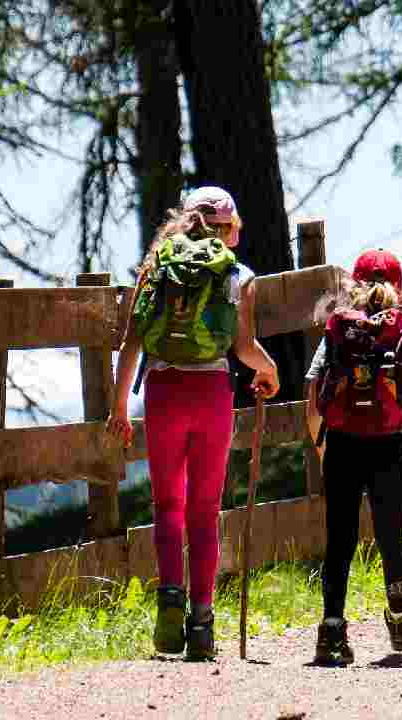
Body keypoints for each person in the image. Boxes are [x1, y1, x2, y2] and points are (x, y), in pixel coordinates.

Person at [106, 186, 279, 660]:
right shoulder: (238, 275)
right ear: (232, 229)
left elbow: (130, 344)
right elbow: (243, 347)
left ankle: (168, 605)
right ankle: (201, 622)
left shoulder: (157, 266)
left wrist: (120, 408)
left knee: (168, 505)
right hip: (211, 396)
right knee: (204, 510)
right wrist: (270, 371)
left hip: (163, 392)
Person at [304, 249, 402, 665]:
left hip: (342, 445)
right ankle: (401, 618)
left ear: (353, 285)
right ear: (398, 288)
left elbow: (314, 401)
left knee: (340, 540)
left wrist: (321, 449)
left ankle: (332, 631)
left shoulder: (336, 335)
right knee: (390, 536)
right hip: (387, 447)